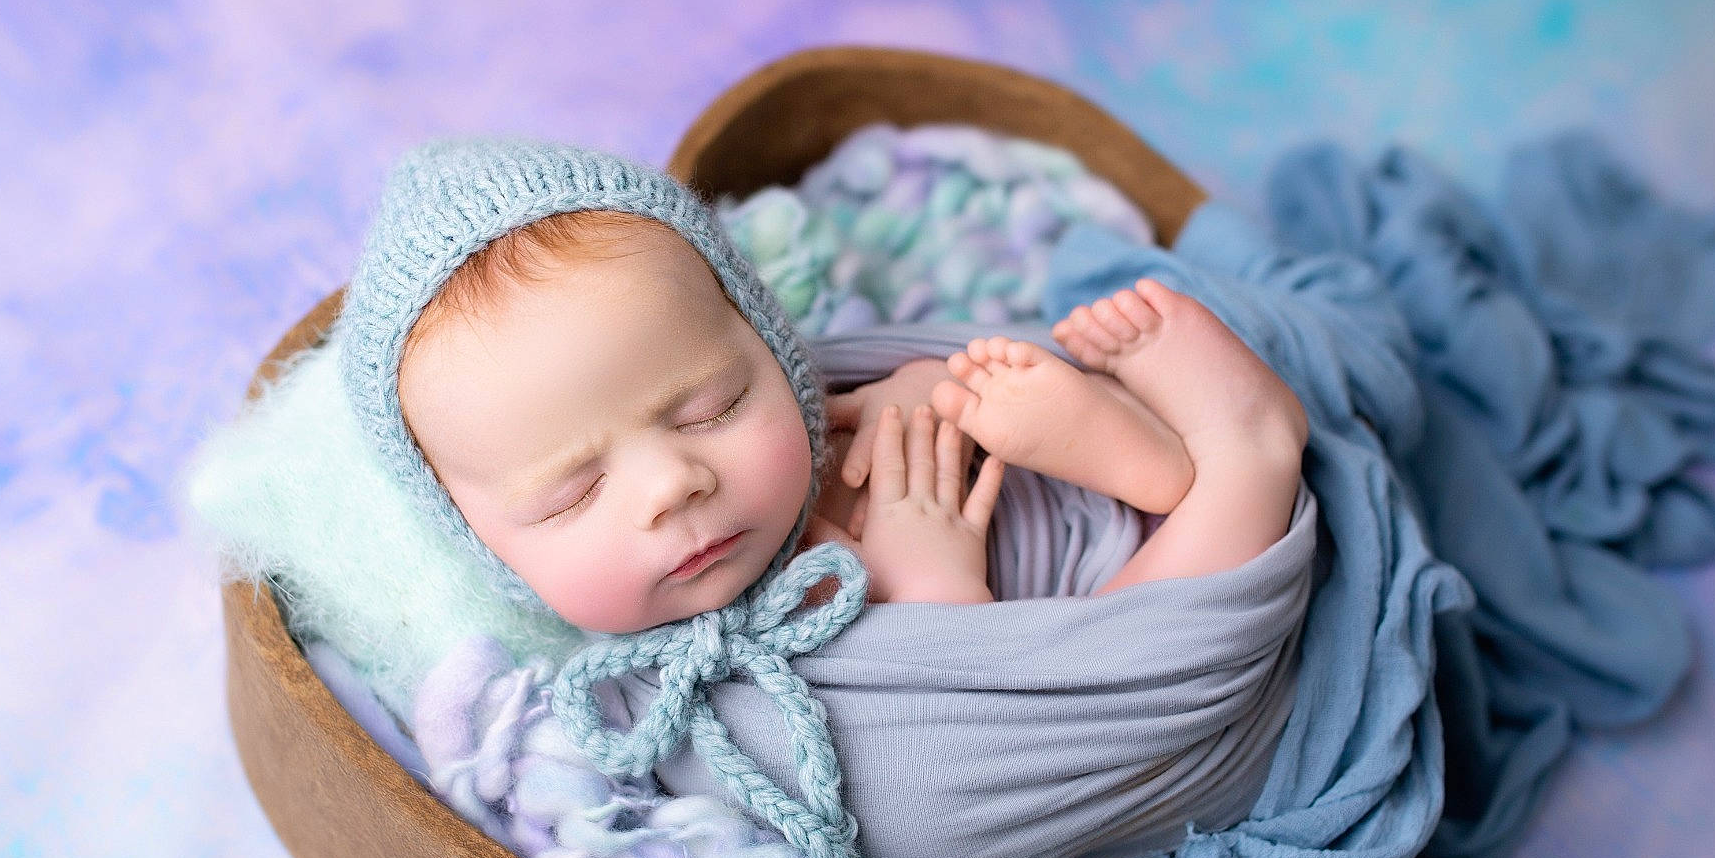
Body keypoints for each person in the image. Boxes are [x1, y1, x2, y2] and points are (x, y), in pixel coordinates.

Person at [396, 207, 1309, 626]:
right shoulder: (675, 695)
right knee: (1131, 649)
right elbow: (946, 778)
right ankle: (1242, 457)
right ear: (480, 543)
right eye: (571, 494)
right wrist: (932, 592)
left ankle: (1138, 460)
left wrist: (908, 397)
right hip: (1077, 639)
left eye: (713, 406)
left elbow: (830, 400)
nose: (673, 482)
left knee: (943, 389)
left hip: (1042, 511)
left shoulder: (795, 433)